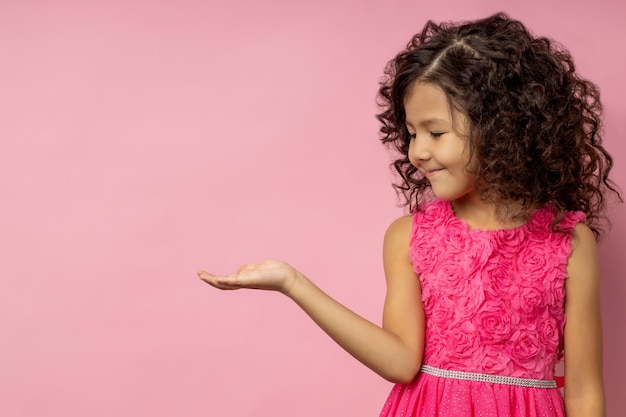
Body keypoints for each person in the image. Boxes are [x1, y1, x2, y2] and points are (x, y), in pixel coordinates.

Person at [198, 13, 621, 417]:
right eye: (412, 133)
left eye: (435, 132)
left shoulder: (567, 243)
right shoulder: (409, 236)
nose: (417, 151)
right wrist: (292, 283)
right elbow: (400, 361)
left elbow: (584, 390)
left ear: (501, 127)